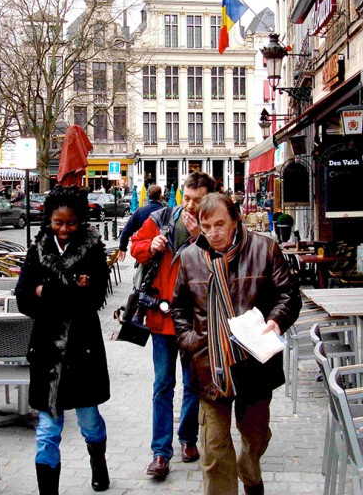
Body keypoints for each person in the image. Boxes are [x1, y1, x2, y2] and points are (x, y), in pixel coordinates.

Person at [172, 194, 301, 495]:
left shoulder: (265, 249)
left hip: (254, 363)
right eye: (206, 226)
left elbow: (289, 295)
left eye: (220, 225)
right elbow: (178, 308)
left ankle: (250, 467)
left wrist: (276, 320)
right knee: (214, 454)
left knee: (256, 436)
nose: (213, 233)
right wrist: (189, 341)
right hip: (210, 368)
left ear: (235, 221)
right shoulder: (190, 258)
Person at [15, 187, 111, 495]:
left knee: (89, 421)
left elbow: (92, 299)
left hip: (83, 350)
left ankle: (98, 461)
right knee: (46, 432)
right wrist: (67, 288)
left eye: (70, 223)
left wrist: (47, 290)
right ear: (49, 221)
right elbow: (23, 297)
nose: (65, 229)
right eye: (59, 223)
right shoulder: (38, 248)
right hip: (47, 351)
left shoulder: (93, 249)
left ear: (80, 221)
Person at [130, 171, 216, 480]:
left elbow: (224, 260)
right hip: (162, 317)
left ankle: (188, 438)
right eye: (188, 199)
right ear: (181, 195)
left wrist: (200, 237)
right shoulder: (162, 216)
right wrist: (150, 245)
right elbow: (134, 246)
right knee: (162, 384)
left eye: (199, 200)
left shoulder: (214, 225)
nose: (192, 207)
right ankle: (160, 452)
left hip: (196, 320)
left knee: (193, 384)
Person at [117, 184, 163, 262]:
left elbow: (127, 230)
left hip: (144, 252)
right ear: (160, 196)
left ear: (149, 196)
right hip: (161, 251)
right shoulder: (165, 211)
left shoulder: (140, 211)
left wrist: (122, 248)